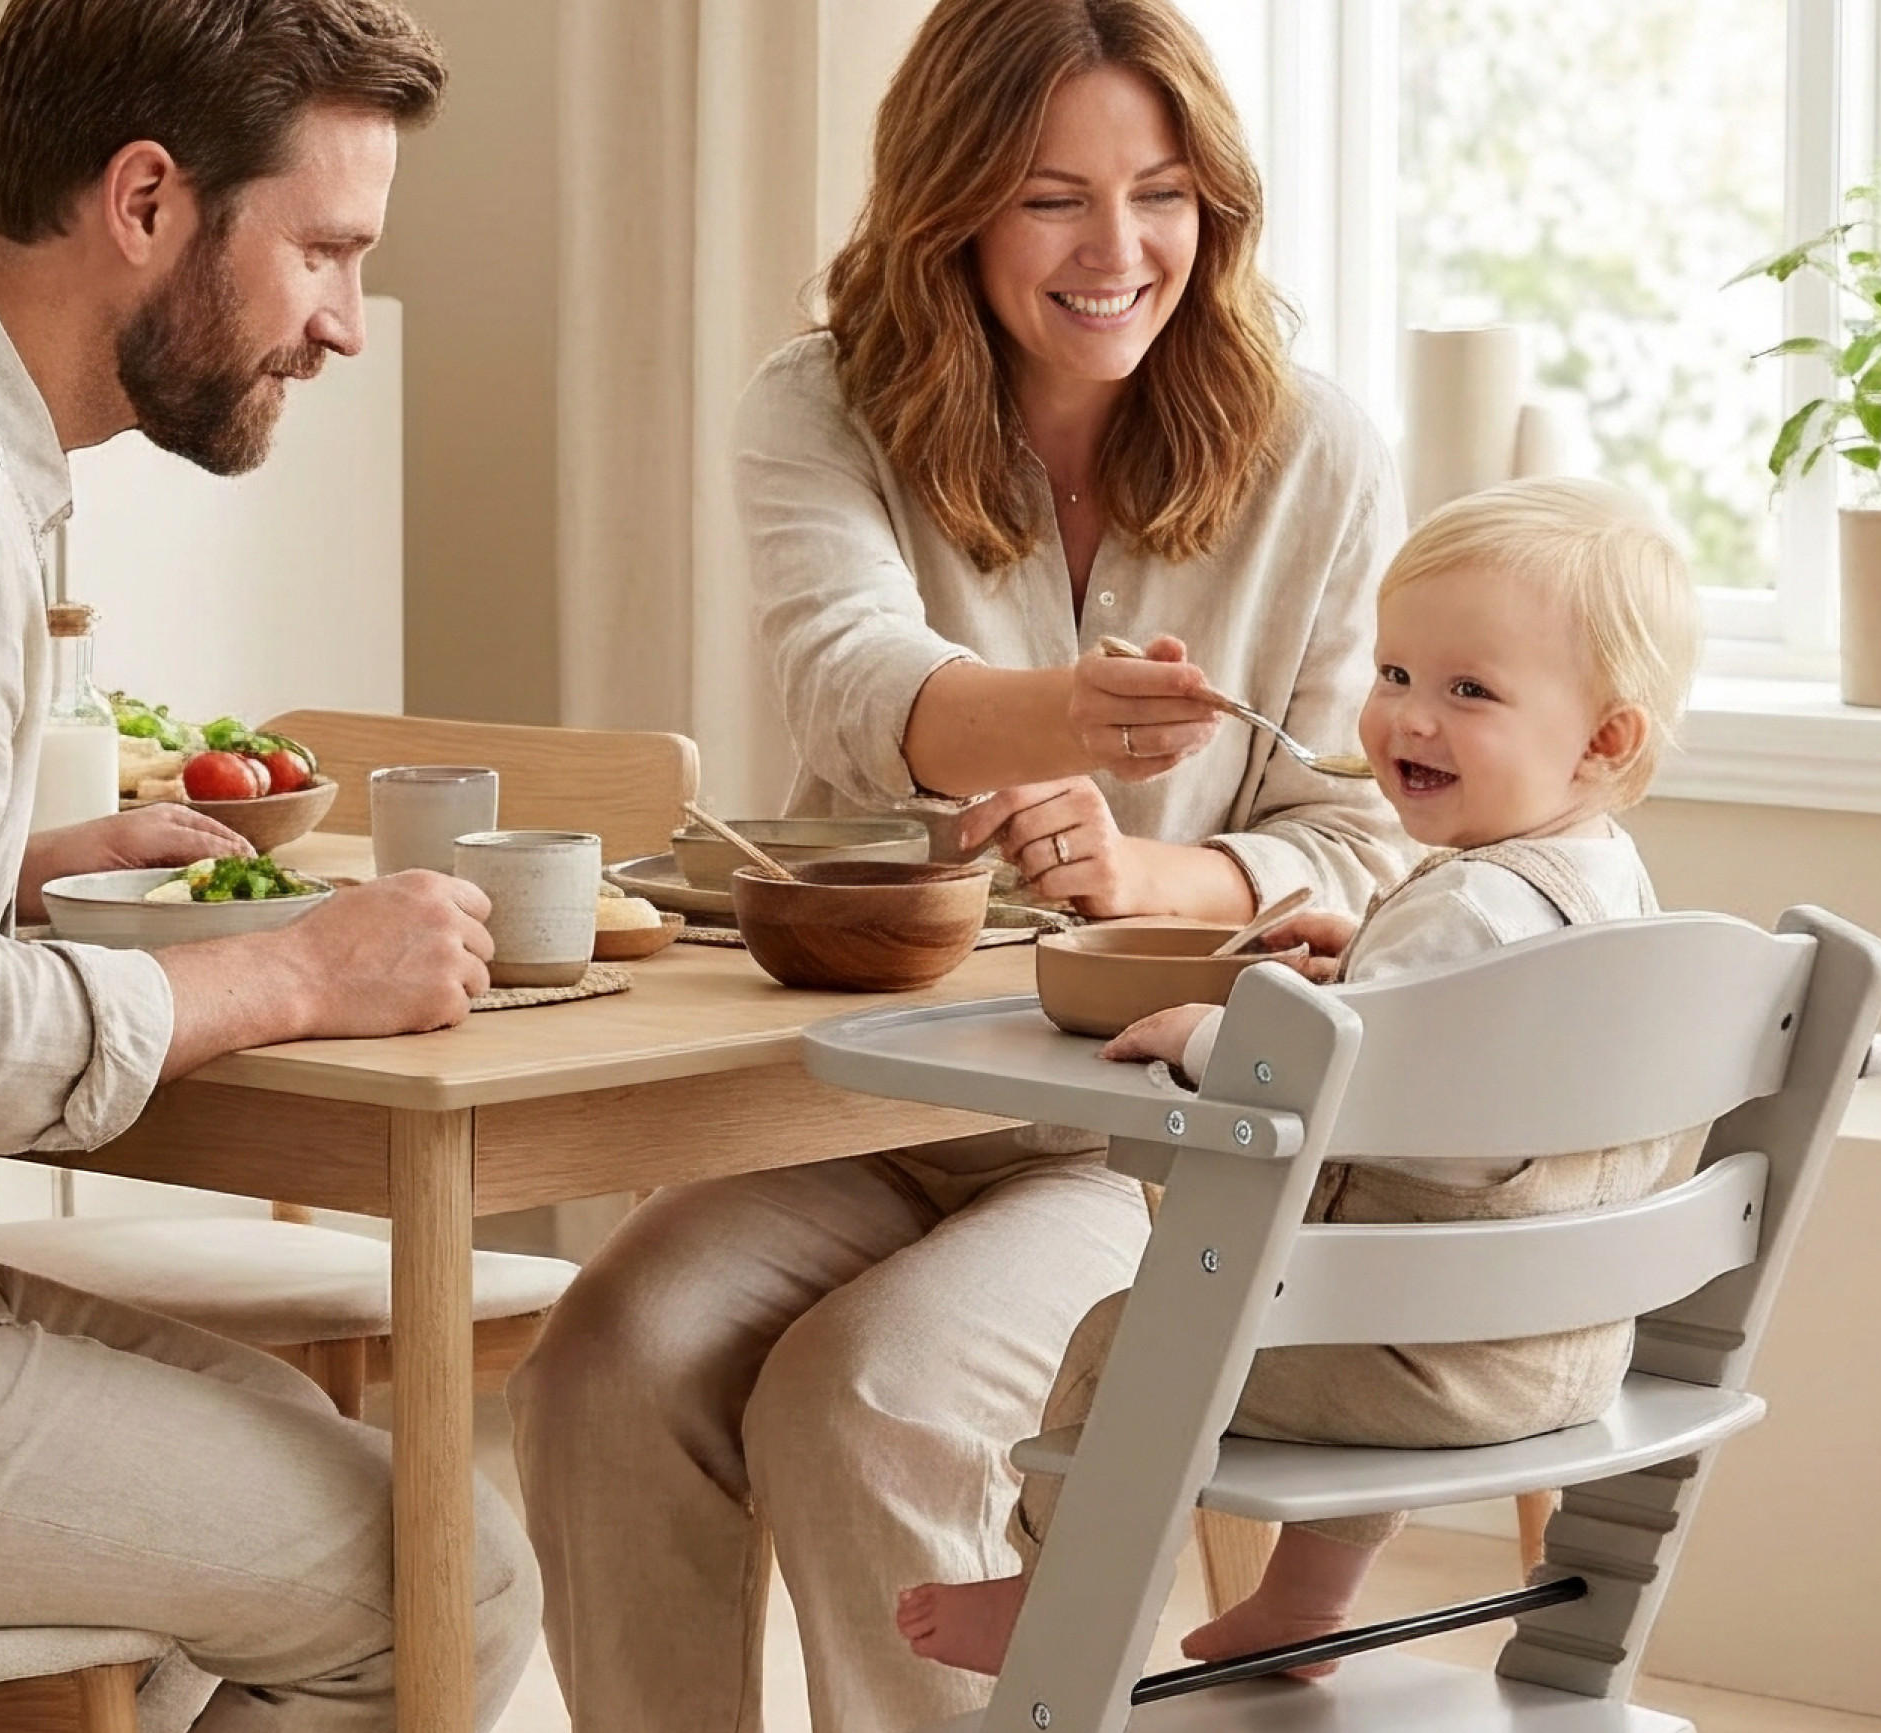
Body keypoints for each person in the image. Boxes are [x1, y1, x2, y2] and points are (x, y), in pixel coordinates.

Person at [508, 2, 1410, 1728]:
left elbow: (1364, 837)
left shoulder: (1321, 452)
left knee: (869, 1404)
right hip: (861, 1100)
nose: (1118, 250)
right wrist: (1072, 713)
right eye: (1051, 196)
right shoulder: (824, 402)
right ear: (953, 207)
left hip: (1150, 1133)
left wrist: (1158, 880)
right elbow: (853, 687)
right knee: (600, 1369)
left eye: (1161, 193)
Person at [0, 1, 541, 1724]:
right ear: (144, 199)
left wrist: (12, 876)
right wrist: (299, 968)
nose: (341, 325)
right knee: (442, 1577)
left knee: (319, 1496)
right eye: (323, 250)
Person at [896, 477, 1710, 1678]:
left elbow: (1323, 1084)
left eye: (1466, 691)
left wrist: (1202, 1034)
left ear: (1604, 738)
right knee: (1365, 1287)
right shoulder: (1611, 887)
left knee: (1130, 1337)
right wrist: (1363, 971)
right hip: (1562, 1348)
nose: (1406, 721)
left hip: (1415, 1358)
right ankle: (1304, 1600)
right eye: (1393, 675)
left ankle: (1048, 1590)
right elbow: (1456, 1052)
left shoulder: (1470, 910)